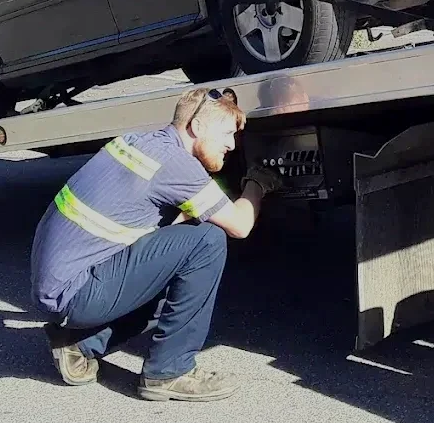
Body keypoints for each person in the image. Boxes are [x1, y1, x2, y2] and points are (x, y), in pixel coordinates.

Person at [29, 86, 282, 401]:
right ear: (197, 127)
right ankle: (169, 371)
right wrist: (257, 184)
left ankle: (79, 344)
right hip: (75, 293)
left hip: (63, 286)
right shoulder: (176, 164)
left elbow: (163, 225)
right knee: (208, 241)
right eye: (227, 134)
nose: (231, 144)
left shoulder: (138, 142)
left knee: (181, 267)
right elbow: (240, 226)